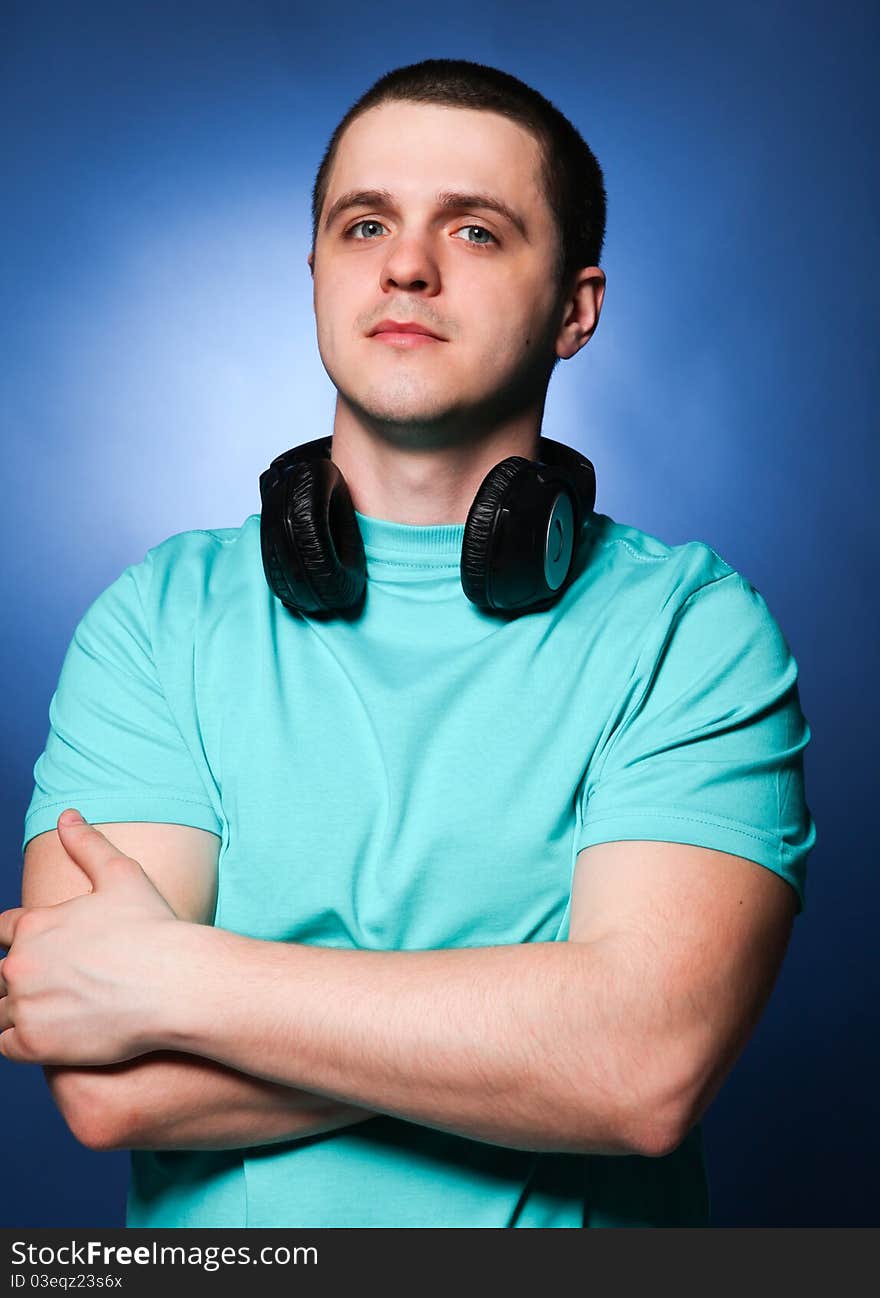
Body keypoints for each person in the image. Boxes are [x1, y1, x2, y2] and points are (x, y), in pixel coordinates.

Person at [2, 57, 816, 1229]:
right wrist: (528, 1035)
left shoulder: (691, 630)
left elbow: (640, 1068)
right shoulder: (158, 617)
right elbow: (106, 1082)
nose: (405, 263)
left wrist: (172, 980)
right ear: (320, 270)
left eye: (476, 232)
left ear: (575, 309)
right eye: (364, 222)